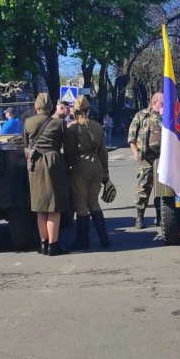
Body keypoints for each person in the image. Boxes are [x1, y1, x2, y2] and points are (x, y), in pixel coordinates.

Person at [24, 93, 72, 256]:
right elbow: (68, 147)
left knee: (40, 208)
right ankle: (53, 245)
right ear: (51, 107)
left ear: (36, 107)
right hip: (54, 163)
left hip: (35, 164)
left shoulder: (28, 122)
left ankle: (43, 244)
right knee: (54, 207)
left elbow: (25, 144)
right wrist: (68, 163)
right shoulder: (59, 123)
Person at [65, 96, 110, 249]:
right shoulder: (98, 126)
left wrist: (68, 165)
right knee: (94, 201)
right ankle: (104, 238)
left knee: (81, 204)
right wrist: (105, 172)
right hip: (96, 164)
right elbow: (103, 152)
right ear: (88, 110)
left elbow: (70, 151)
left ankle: (83, 240)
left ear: (75, 110)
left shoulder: (72, 127)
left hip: (79, 165)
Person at [127, 92, 163, 229]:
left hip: (162, 159)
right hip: (146, 159)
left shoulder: (166, 116)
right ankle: (139, 217)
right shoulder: (142, 115)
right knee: (143, 188)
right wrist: (135, 152)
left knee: (162, 189)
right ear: (155, 102)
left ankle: (161, 217)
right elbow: (131, 135)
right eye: (162, 103)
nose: (164, 105)